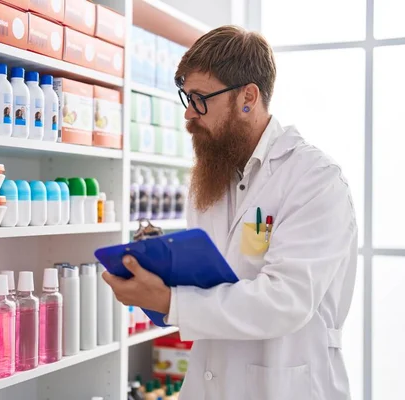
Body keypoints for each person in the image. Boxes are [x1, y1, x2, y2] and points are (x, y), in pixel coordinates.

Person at [103, 25, 357, 400]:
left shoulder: (314, 179)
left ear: (248, 98)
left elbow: (285, 300)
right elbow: (210, 286)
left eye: (201, 99)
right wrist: (156, 284)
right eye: (186, 98)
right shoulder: (211, 178)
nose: (189, 114)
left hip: (288, 385)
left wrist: (172, 302)